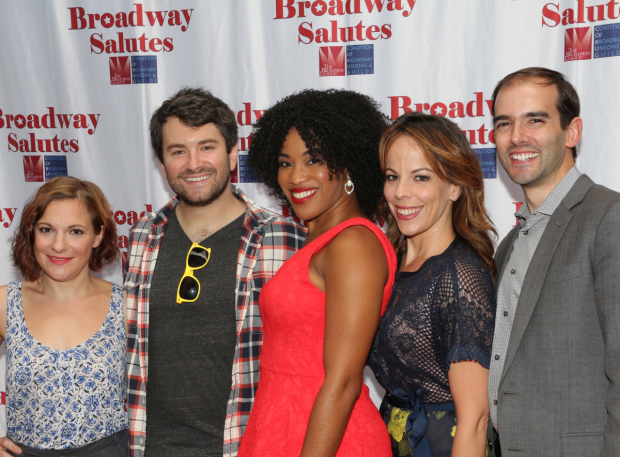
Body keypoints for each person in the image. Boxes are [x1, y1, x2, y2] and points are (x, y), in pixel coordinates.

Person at [124, 88, 306, 457]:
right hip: (149, 447)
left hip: (246, 446)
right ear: (162, 163)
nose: (194, 163)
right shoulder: (142, 236)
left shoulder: (284, 238)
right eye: (178, 151)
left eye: (206, 147)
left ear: (232, 152)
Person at [236, 89, 397, 457]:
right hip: (284, 427)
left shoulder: (352, 244)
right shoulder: (319, 239)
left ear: (350, 163)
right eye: (285, 162)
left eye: (314, 160)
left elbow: (342, 382)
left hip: (328, 441)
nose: (296, 176)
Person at [487, 67, 620, 456]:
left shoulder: (607, 217)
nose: (517, 137)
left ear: (572, 132)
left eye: (535, 120)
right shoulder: (509, 244)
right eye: (504, 123)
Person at [368, 112, 497, 457]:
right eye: (392, 177)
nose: (400, 193)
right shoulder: (388, 263)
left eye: (420, 177)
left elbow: (476, 418)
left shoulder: (458, 275)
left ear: (455, 186)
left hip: (444, 445)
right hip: (393, 439)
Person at [0, 176, 128, 456]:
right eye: (47, 229)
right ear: (32, 232)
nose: (59, 245)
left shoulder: (126, 305)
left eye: (75, 232)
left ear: (97, 236)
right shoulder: (4, 303)